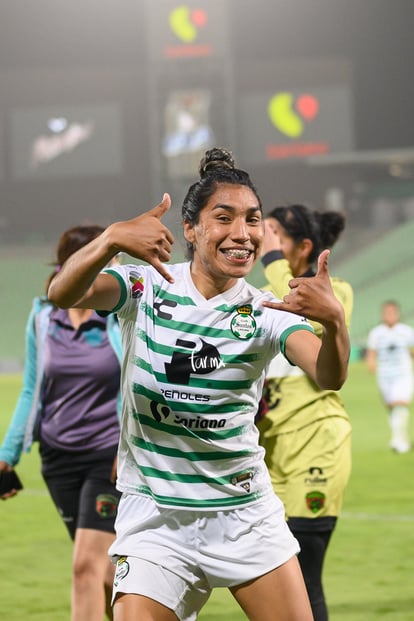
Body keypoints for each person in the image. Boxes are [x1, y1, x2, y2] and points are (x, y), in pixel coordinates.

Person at [47, 147, 350, 621]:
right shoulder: (146, 287)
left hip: (243, 515)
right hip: (155, 518)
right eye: (224, 217)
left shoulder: (265, 310)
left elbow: (329, 375)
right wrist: (109, 239)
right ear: (190, 229)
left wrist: (335, 325)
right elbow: (63, 293)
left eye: (253, 219)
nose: (243, 234)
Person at [0, 225, 123, 621]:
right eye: (107, 262)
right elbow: (31, 390)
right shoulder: (43, 317)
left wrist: (130, 449)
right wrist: (8, 454)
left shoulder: (118, 318)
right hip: (58, 460)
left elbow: (138, 386)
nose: (116, 271)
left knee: (85, 567)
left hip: (109, 459)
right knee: (103, 574)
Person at [257, 203, 353, 621]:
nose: (262, 240)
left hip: (317, 447)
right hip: (271, 455)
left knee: (304, 579)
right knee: (277, 585)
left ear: (304, 247)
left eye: (273, 233)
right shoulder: (261, 298)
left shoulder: (337, 292)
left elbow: (301, 304)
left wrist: (272, 260)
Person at [366, 300, 414, 453]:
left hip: (403, 374)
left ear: (398, 314)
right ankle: (402, 439)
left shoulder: (406, 331)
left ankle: (397, 441)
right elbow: (372, 352)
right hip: (385, 375)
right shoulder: (376, 332)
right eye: (387, 313)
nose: (390, 315)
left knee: (399, 402)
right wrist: (371, 364)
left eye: (392, 312)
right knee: (392, 407)